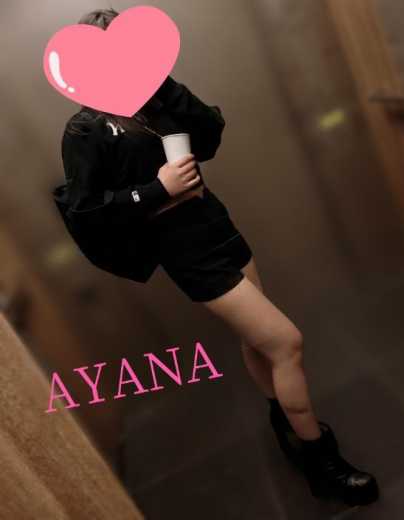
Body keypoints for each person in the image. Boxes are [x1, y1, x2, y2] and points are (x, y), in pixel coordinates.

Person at [60, 8, 380, 506]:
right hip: (184, 251)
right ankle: (321, 460)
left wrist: (161, 79)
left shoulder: (154, 98)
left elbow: (208, 135)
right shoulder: (85, 130)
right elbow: (85, 212)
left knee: (258, 342)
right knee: (286, 344)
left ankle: (284, 422)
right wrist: (156, 189)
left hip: (218, 226)